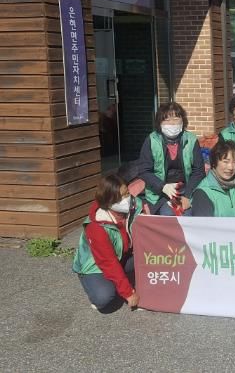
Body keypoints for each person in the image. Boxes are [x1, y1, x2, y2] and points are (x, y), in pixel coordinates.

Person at [72, 174, 142, 312]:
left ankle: (118, 280)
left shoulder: (133, 208)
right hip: (95, 265)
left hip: (121, 255)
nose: (127, 199)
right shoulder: (96, 227)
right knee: (104, 297)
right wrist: (128, 292)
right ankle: (88, 280)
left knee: (148, 259)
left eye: (127, 193)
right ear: (109, 202)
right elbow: (108, 262)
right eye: (121, 197)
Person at [138, 102, 205, 216]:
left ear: (183, 120)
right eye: (167, 120)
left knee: (190, 214)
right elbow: (144, 171)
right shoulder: (151, 140)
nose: (172, 123)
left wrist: (187, 195)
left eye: (176, 119)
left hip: (187, 190)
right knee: (168, 214)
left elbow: (198, 171)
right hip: (159, 194)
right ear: (159, 123)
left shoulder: (191, 140)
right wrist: (163, 187)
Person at [191, 140, 235, 217]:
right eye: (225, 162)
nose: (230, 167)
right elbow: (205, 224)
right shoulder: (202, 192)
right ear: (214, 163)